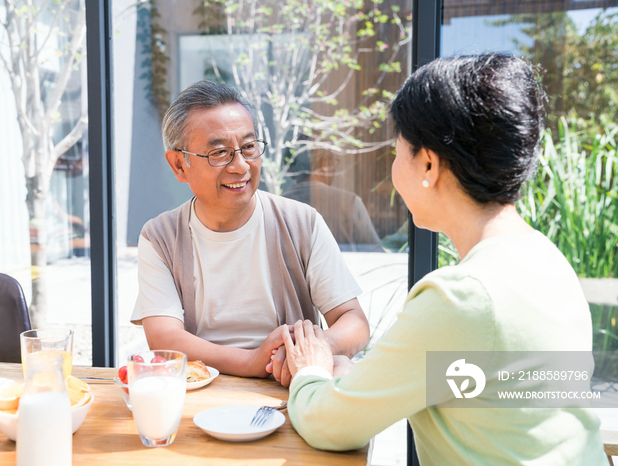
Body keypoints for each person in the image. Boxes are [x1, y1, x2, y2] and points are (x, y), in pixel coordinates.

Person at [280, 54, 608, 464]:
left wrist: (310, 368)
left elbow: (327, 425)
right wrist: (360, 380)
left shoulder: (466, 298)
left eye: (397, 151)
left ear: (429, 164)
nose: (394, 167)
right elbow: (483, 389)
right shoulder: (546, 259)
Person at [130, 80, 370, 384]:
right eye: (219, 153)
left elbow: (353, 320)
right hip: (203, 389)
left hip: (291, 384)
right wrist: (252, 361)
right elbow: (165, 339)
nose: (240, 166)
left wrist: (312, 349)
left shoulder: (301, 222)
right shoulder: (160, 236)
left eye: (248, 147)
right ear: (179, 165)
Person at [282, 152, 382, 252]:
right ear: (324, 163)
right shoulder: (349, 202)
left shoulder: (279, 205)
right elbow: (375, 252)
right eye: (334, 162)